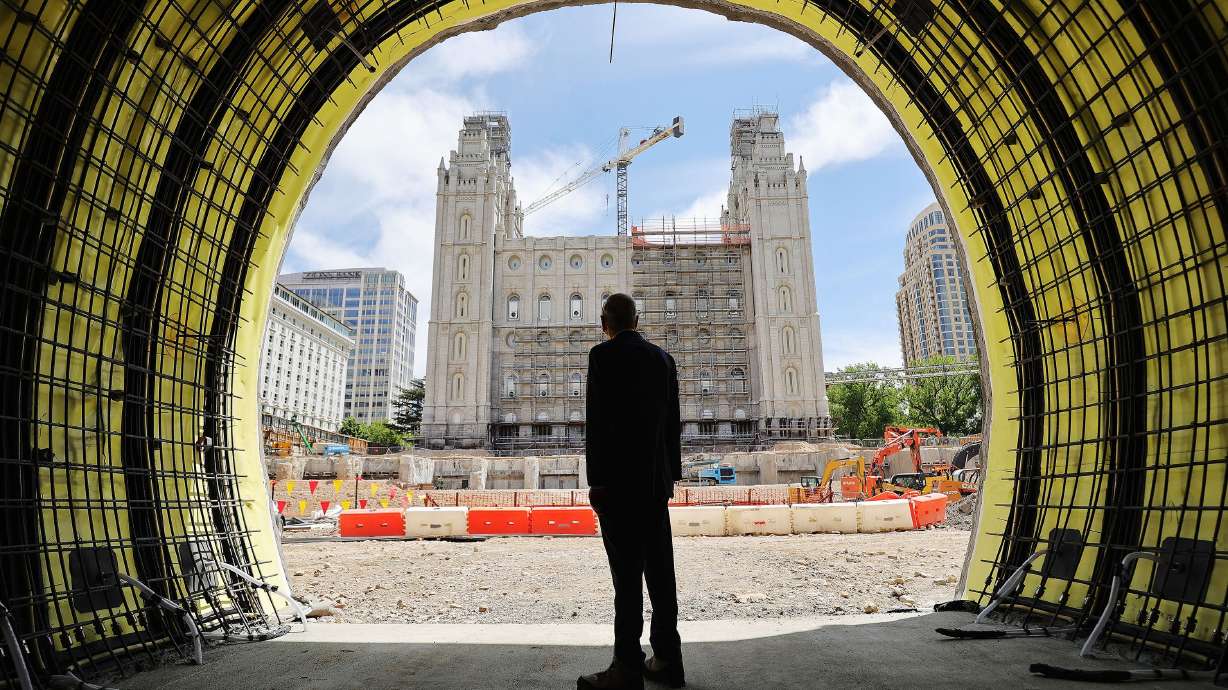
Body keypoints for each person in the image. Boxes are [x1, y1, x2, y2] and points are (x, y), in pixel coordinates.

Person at [578, 293, 684, 690]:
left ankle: (626, 666)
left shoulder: (602, 357)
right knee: (660, 574)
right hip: (654, 486)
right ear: (637, 321)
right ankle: (668, 660)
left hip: (618, 487)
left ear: (606, 322)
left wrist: (597, 481)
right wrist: (669, 476)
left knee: (626, 578)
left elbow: (598, 422)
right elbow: (672, 425)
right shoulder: (663, 360)